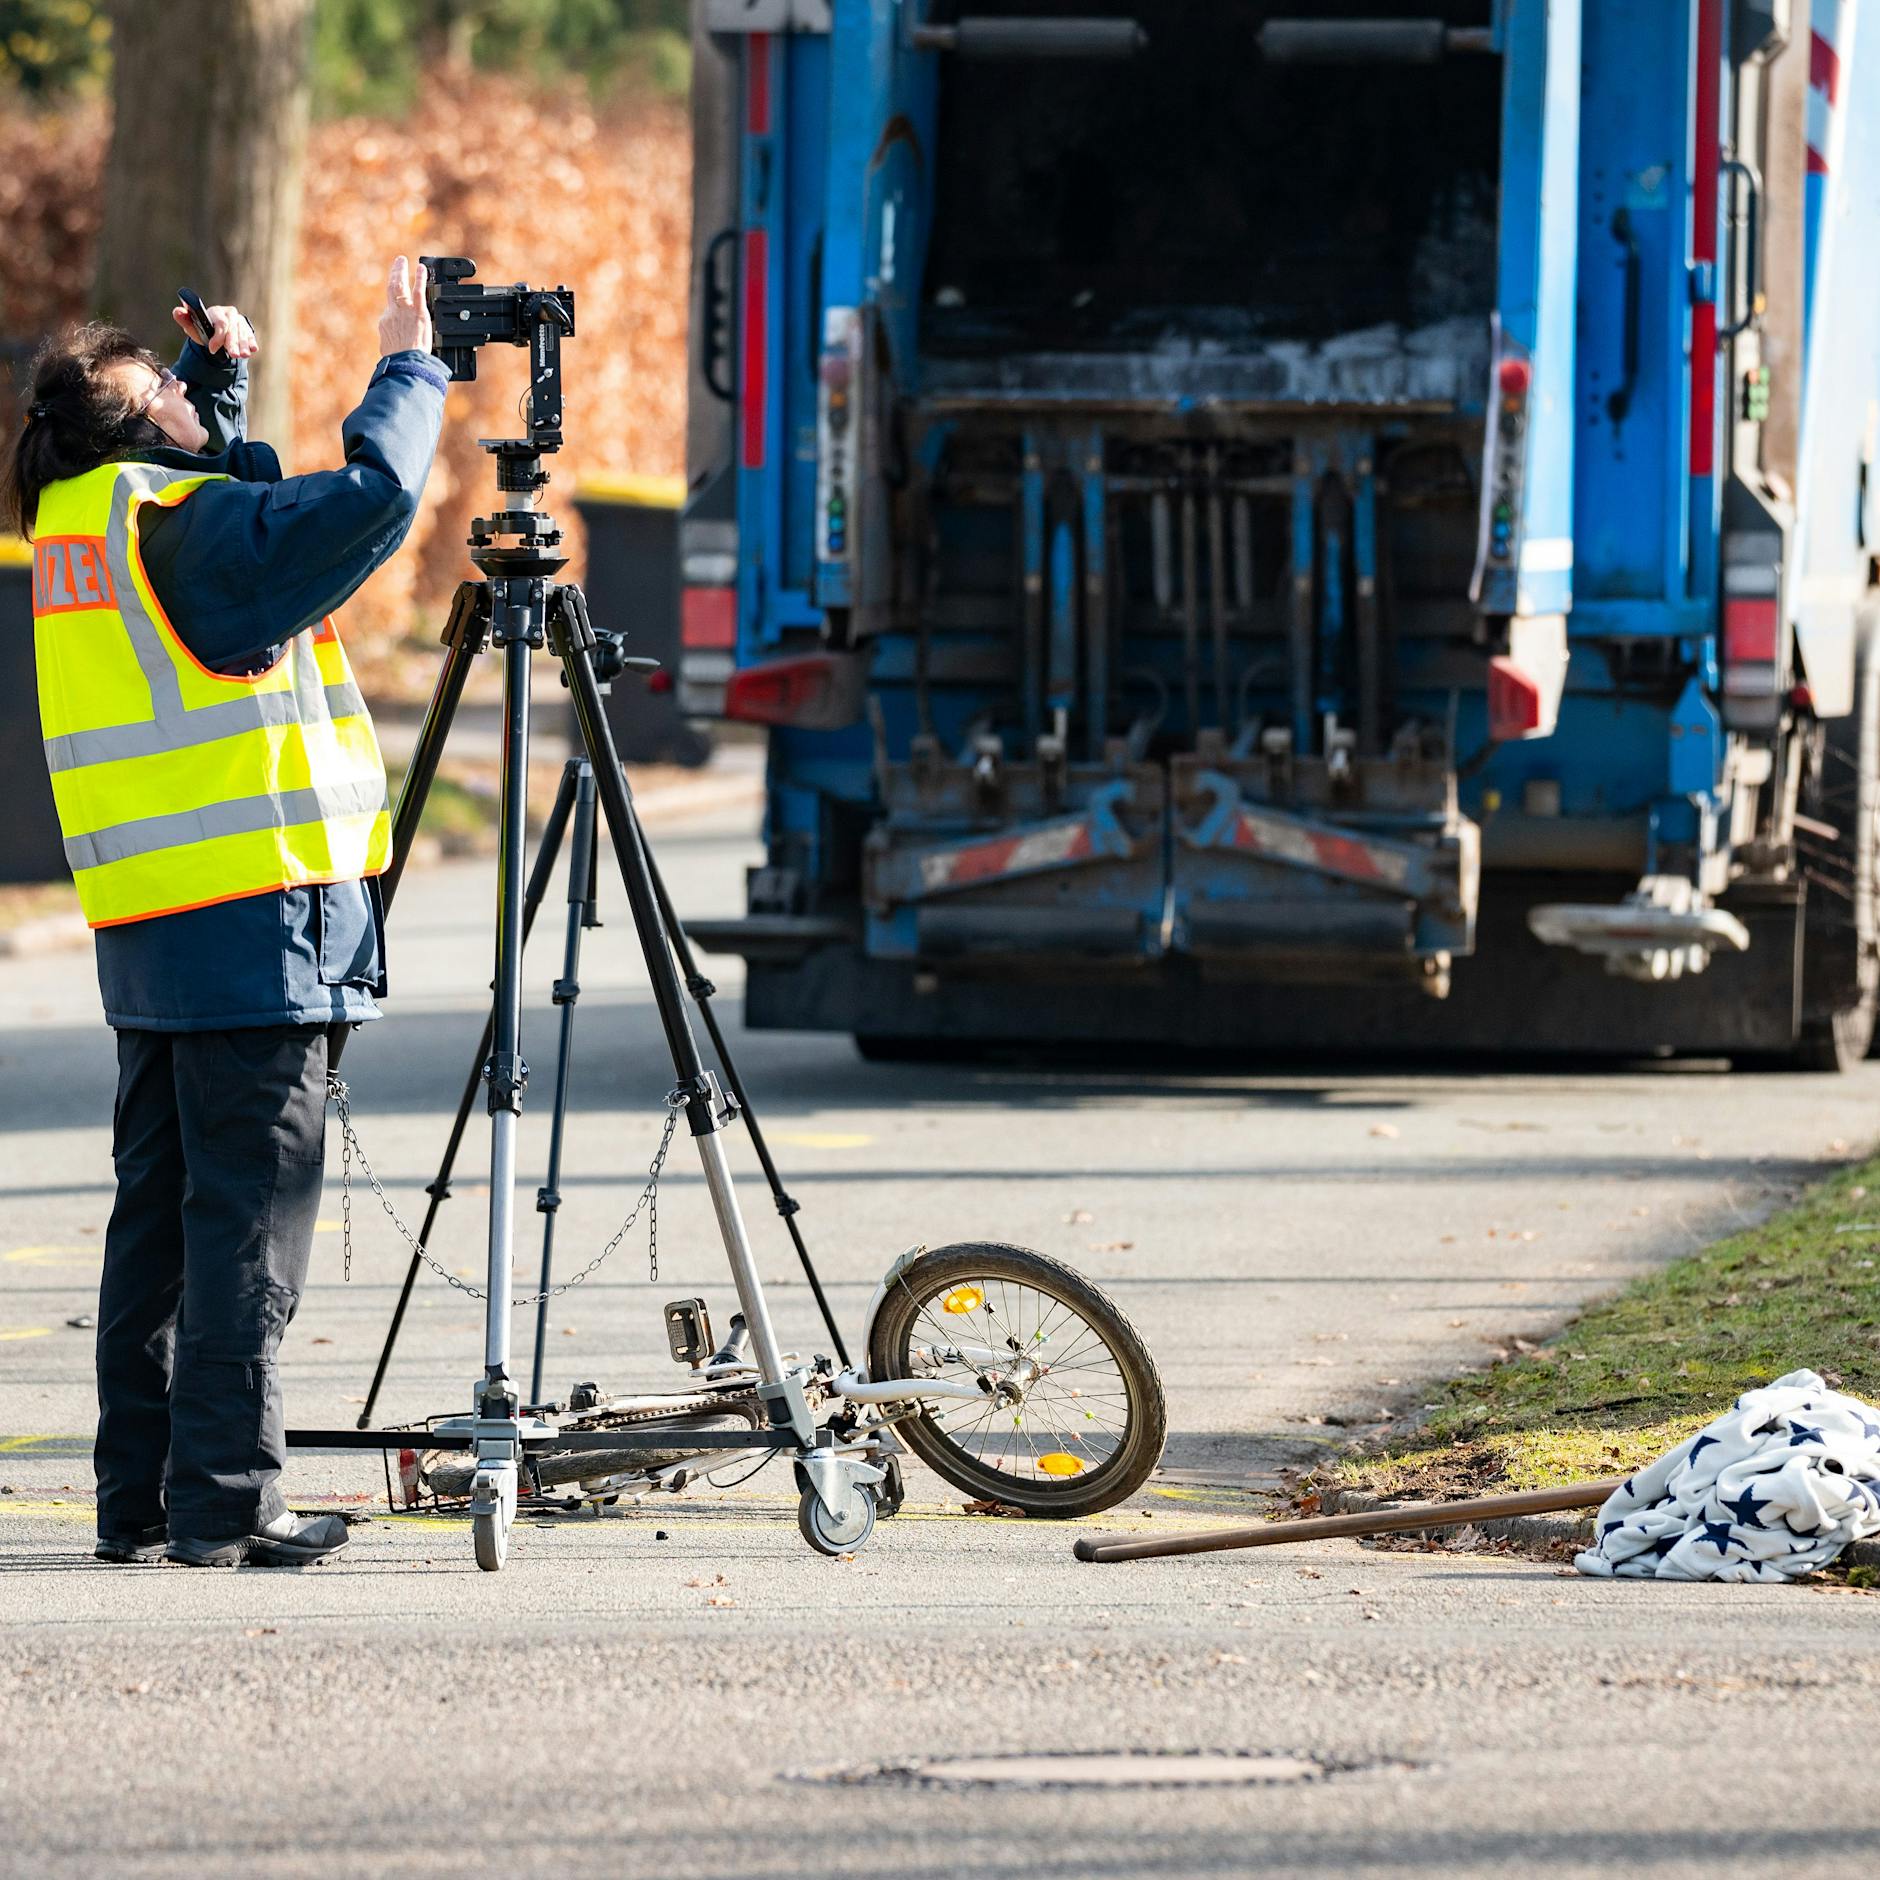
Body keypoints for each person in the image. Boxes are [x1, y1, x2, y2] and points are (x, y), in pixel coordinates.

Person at [6, 257, 448, 1567]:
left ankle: (139, 1501)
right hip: (256, 917)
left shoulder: (84, 521)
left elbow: (212, 518)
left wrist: (214, 392)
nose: (191, 401)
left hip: (156, 926)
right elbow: (372, 497)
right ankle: (227, 1502)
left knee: (161, 1220)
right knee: (247, 1223)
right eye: (169, 395)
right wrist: (407, 364)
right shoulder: (177, 527)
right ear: (150, 438)